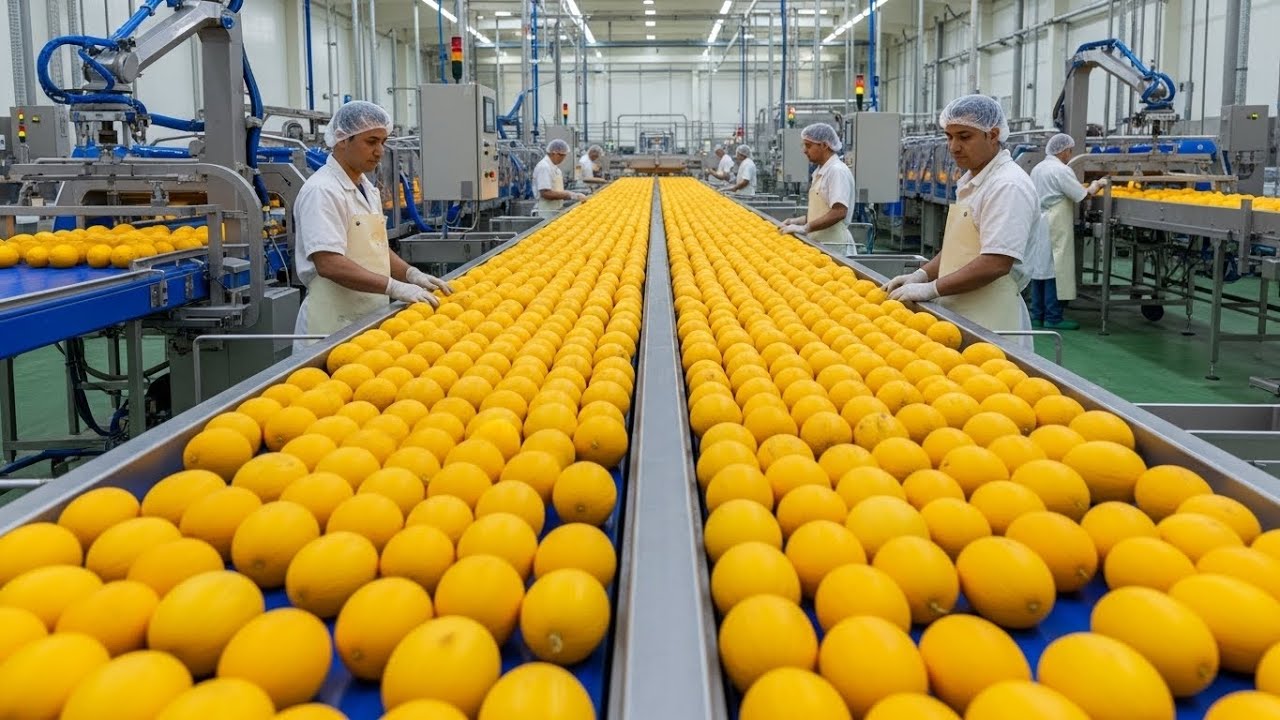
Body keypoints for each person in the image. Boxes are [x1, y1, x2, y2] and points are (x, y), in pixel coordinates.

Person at [883, 95, 1039, 351]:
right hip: (959, 313)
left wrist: (930, 288)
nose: (954, 146)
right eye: (949, 136)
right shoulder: (971, 181)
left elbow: (996, 263)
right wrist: (921, 275)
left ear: (993, 135)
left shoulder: (1007, 185)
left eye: (964, 137)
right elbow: (961, 249)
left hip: (990, 318)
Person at [292, 101, 451, 352]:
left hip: (367, 318)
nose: (380, 151)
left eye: (383, 142)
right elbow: (328, 262)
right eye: (371, 141)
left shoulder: (368, 188)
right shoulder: (322, 191)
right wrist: (393, 287)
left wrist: (411, 274)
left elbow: (376, 247)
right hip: (331, 324)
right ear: (342, 140)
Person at [1028, 132, 1106, 329]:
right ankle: (1053, 318)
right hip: (1055, 225)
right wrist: (1097, 185)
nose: (1070, 155)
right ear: (1062, 151)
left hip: (1039, 223)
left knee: (1039, 269)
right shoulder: (1061, 170)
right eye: (1069, 151)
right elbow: (1082, 195)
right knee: (1056, 270)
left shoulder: (1038, 168)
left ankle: (1037, 315)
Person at [779, 122, 856, 254]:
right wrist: (797, 221)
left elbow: (839, 212)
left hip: (835, 247)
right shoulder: (820, 171)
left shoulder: (836, 171)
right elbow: (822, 212)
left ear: (825, 145)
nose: (804, 150)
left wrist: (805, 228)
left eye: (808, 146)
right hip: (822, 245)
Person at [534, 139, 587, 217]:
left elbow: (555, 190)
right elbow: (545, 193)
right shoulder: (544, 167)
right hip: (546, 212)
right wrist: (570, 195)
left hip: (555, 209)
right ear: (555, 154)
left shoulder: (554, 167)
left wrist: (570, 194)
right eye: (563, 156)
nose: (563, 159)